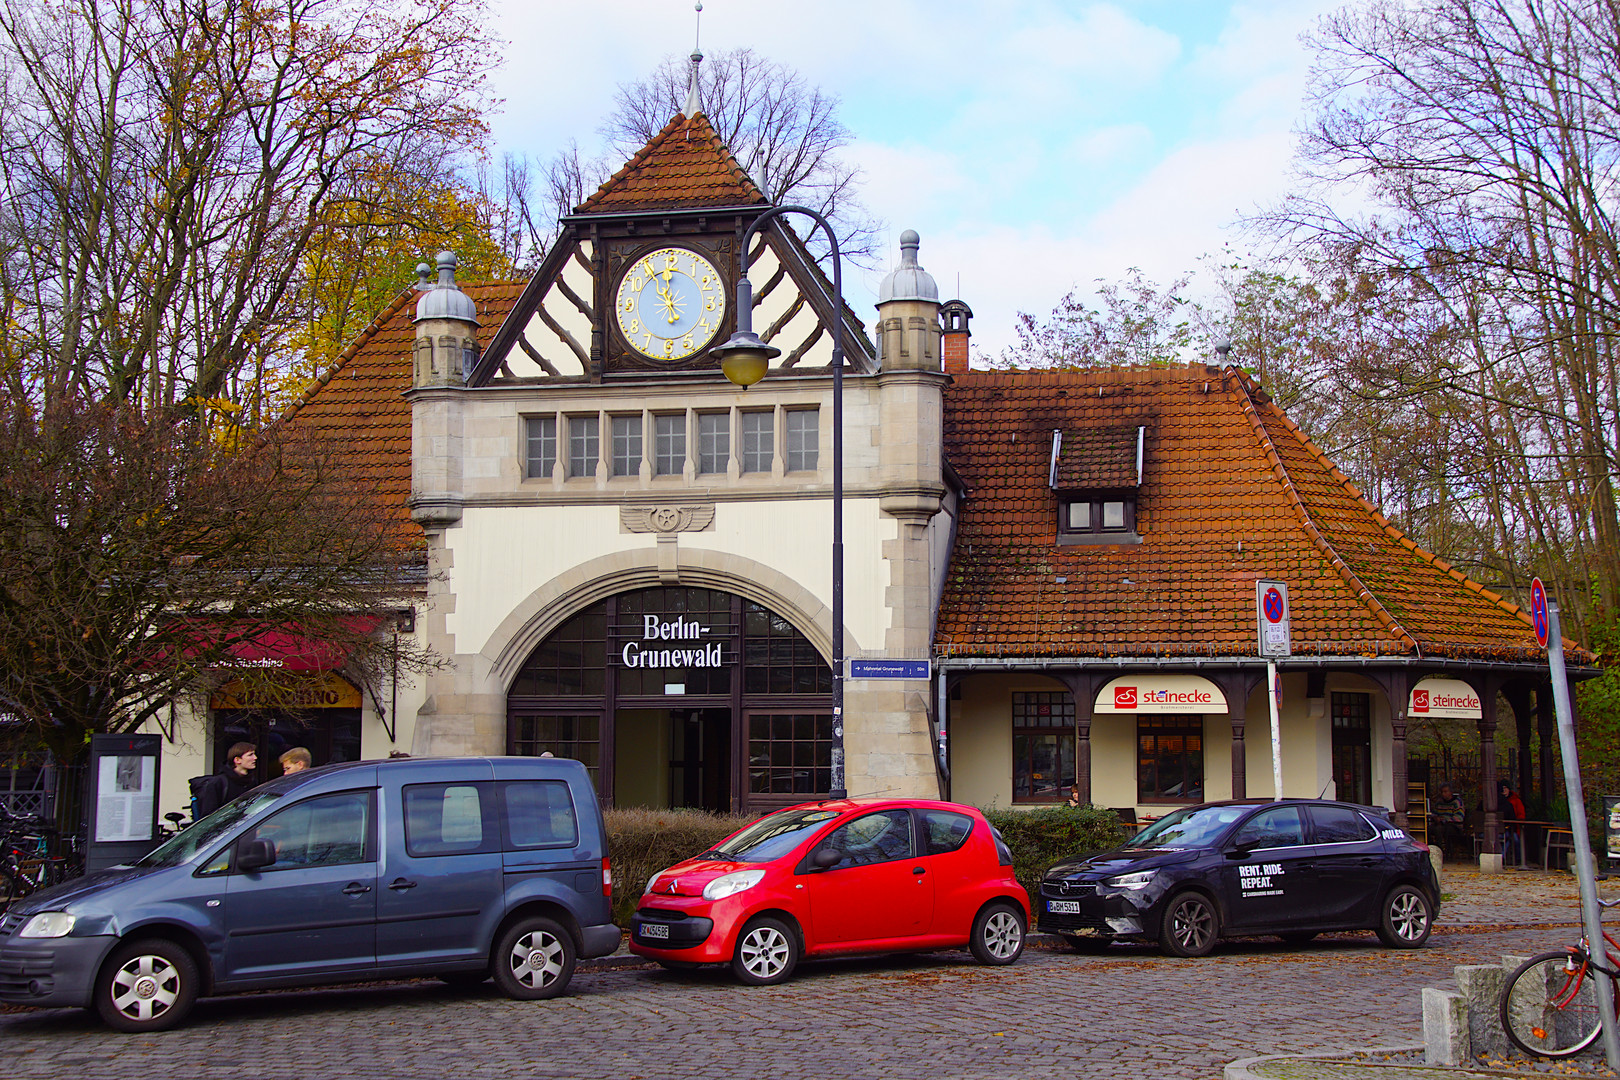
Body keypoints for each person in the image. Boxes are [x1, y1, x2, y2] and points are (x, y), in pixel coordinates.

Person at [194, 742, 258, 818]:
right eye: (250, 755)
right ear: (237, 760)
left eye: (254, 754)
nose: (255, 758)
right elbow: (208, 817)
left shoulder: (252, 782)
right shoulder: (218, 783)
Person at [1430, 782, 1466, 856]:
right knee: (1429, 829)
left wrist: (1445, 820)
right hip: (1439, 824)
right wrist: (1435, 817)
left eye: (1446, 792)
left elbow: (1459, 817)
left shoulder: (1457, 802)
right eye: (1442, 792)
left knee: (1442, 830)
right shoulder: (1439, 802)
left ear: (1451, 792)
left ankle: (1445, 851)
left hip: (1454, 826)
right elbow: (1434, 812)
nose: (1443, 794)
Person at [1500, 781, 1527, 864]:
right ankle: (1502, 857)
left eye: (1505, 788)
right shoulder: (1498, 802)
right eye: (1502, 788)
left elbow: (1521, 815)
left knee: (1515, 839)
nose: (1504, 790)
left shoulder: (1516, 801)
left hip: (1513, 827)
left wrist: (1517, 822)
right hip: (1501, 829)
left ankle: (1518, 859)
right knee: (1508, 838)